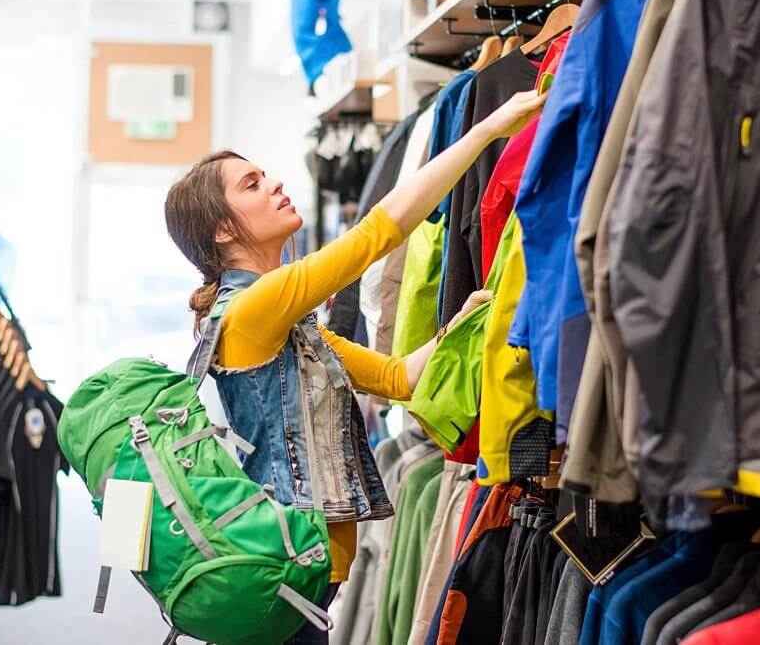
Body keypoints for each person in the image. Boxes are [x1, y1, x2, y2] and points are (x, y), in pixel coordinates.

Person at [164, 89, 546, 644]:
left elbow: (398, 379)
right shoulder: (254, 308)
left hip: (303, 579)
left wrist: (460, 322)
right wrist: (486, 130)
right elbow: (378, 234)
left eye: (267, 174)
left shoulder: (289, 324)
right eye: (251, 184)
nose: (275, 184)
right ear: (222, 232)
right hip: (284, 571)